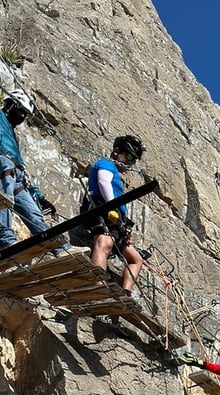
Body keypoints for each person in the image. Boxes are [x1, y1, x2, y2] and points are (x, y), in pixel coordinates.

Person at [0, 89, 70, 255]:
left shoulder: (12, 134)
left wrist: (38, 195)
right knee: (5, 199)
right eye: (21, 111)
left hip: (15, 172)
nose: (23, 117)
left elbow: (20, 167)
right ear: (10, 105)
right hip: (3, 164)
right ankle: (4, 239)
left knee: (33, 212)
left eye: (25, 113)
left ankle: (59, 248)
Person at [86, 135, 146, 294]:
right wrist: (111, 206)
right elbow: (103, 182)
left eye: (133, 160)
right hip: (103, 207)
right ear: (116, 151)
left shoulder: (115, 171)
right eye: (129, 157)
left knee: (136, 259)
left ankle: (125, 292)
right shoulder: (106, 163)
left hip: (117, 217)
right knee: (104, 242)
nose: (130, 163)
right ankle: (97, 284)